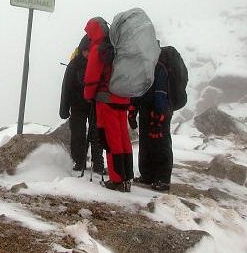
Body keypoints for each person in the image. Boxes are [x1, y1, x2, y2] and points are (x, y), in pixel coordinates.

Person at [83, 17, 133, 192]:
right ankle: (126, 177)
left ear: (95, 31)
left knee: (111, 140)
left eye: (89, 32)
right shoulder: (117, 47)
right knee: (123, 138)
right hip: (123, 98)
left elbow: (91, 77)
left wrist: (88, 96)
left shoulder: (98, 49)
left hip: (106, 100)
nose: (88, 35)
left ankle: (117, 180)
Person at [59, 36, 104, 174]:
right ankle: (80, 161)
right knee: (78, 134)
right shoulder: (74, 65)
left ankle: (97, 163)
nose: (87, 54)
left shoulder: (96, 64)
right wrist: (64, 109)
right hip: (79, 105)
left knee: (95, 133)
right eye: (85, 51)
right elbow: (66, 87)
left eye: (89, 51)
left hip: (92, 104)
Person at [129, 50, 172, 192]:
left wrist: (159, 117)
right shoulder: (145, 67)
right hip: (146, 110)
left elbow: (161, 94)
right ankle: (147, 175)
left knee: (160, 143)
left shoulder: (159, 68)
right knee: (147, 143)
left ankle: (163, 179)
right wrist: (133, 111)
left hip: (159, 112)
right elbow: (137, 90)